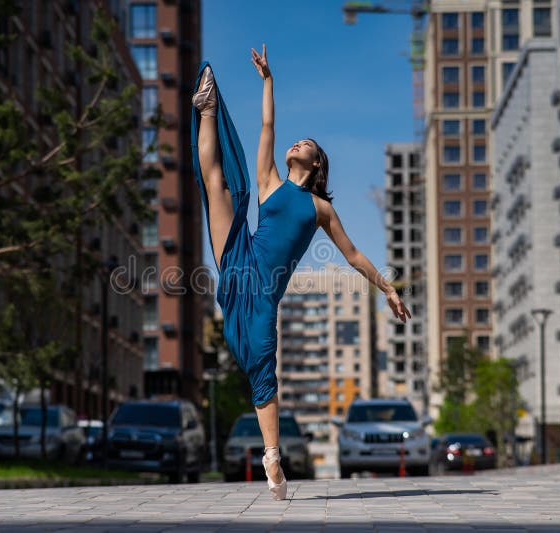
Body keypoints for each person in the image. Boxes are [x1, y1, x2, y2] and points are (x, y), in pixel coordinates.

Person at [190, 44, 411, 500]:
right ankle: (207, 109)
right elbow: (268, 125)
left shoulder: (320, 208)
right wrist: (267, 80)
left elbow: (351, 255)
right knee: (216, 182)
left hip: (264, 293)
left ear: (316, 165)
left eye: (305, 144)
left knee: (263, 373)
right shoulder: (270, 179)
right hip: (240, 256)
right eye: (298, 141)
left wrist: (386, 287)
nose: (296, 143)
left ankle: (272, 457)